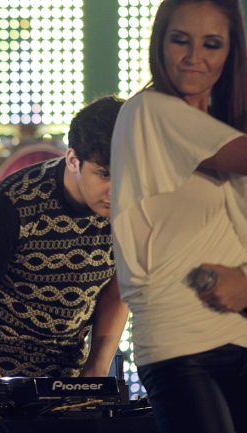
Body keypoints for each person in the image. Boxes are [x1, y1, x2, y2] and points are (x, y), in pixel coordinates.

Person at [110, 1, 247, 431]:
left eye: (211, 44)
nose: (193, 57)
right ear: (159, 44)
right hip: (179, 345)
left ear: (231, 52)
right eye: (180, 40)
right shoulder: (148, 113)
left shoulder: (224, 126)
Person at [0, 96, 129, 378]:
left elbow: (117, 290)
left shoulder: (134, 205)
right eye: (104, 174)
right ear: (73, 160)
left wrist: (96, 367)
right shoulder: (11, 204)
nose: (117, 188)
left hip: (68, 375)